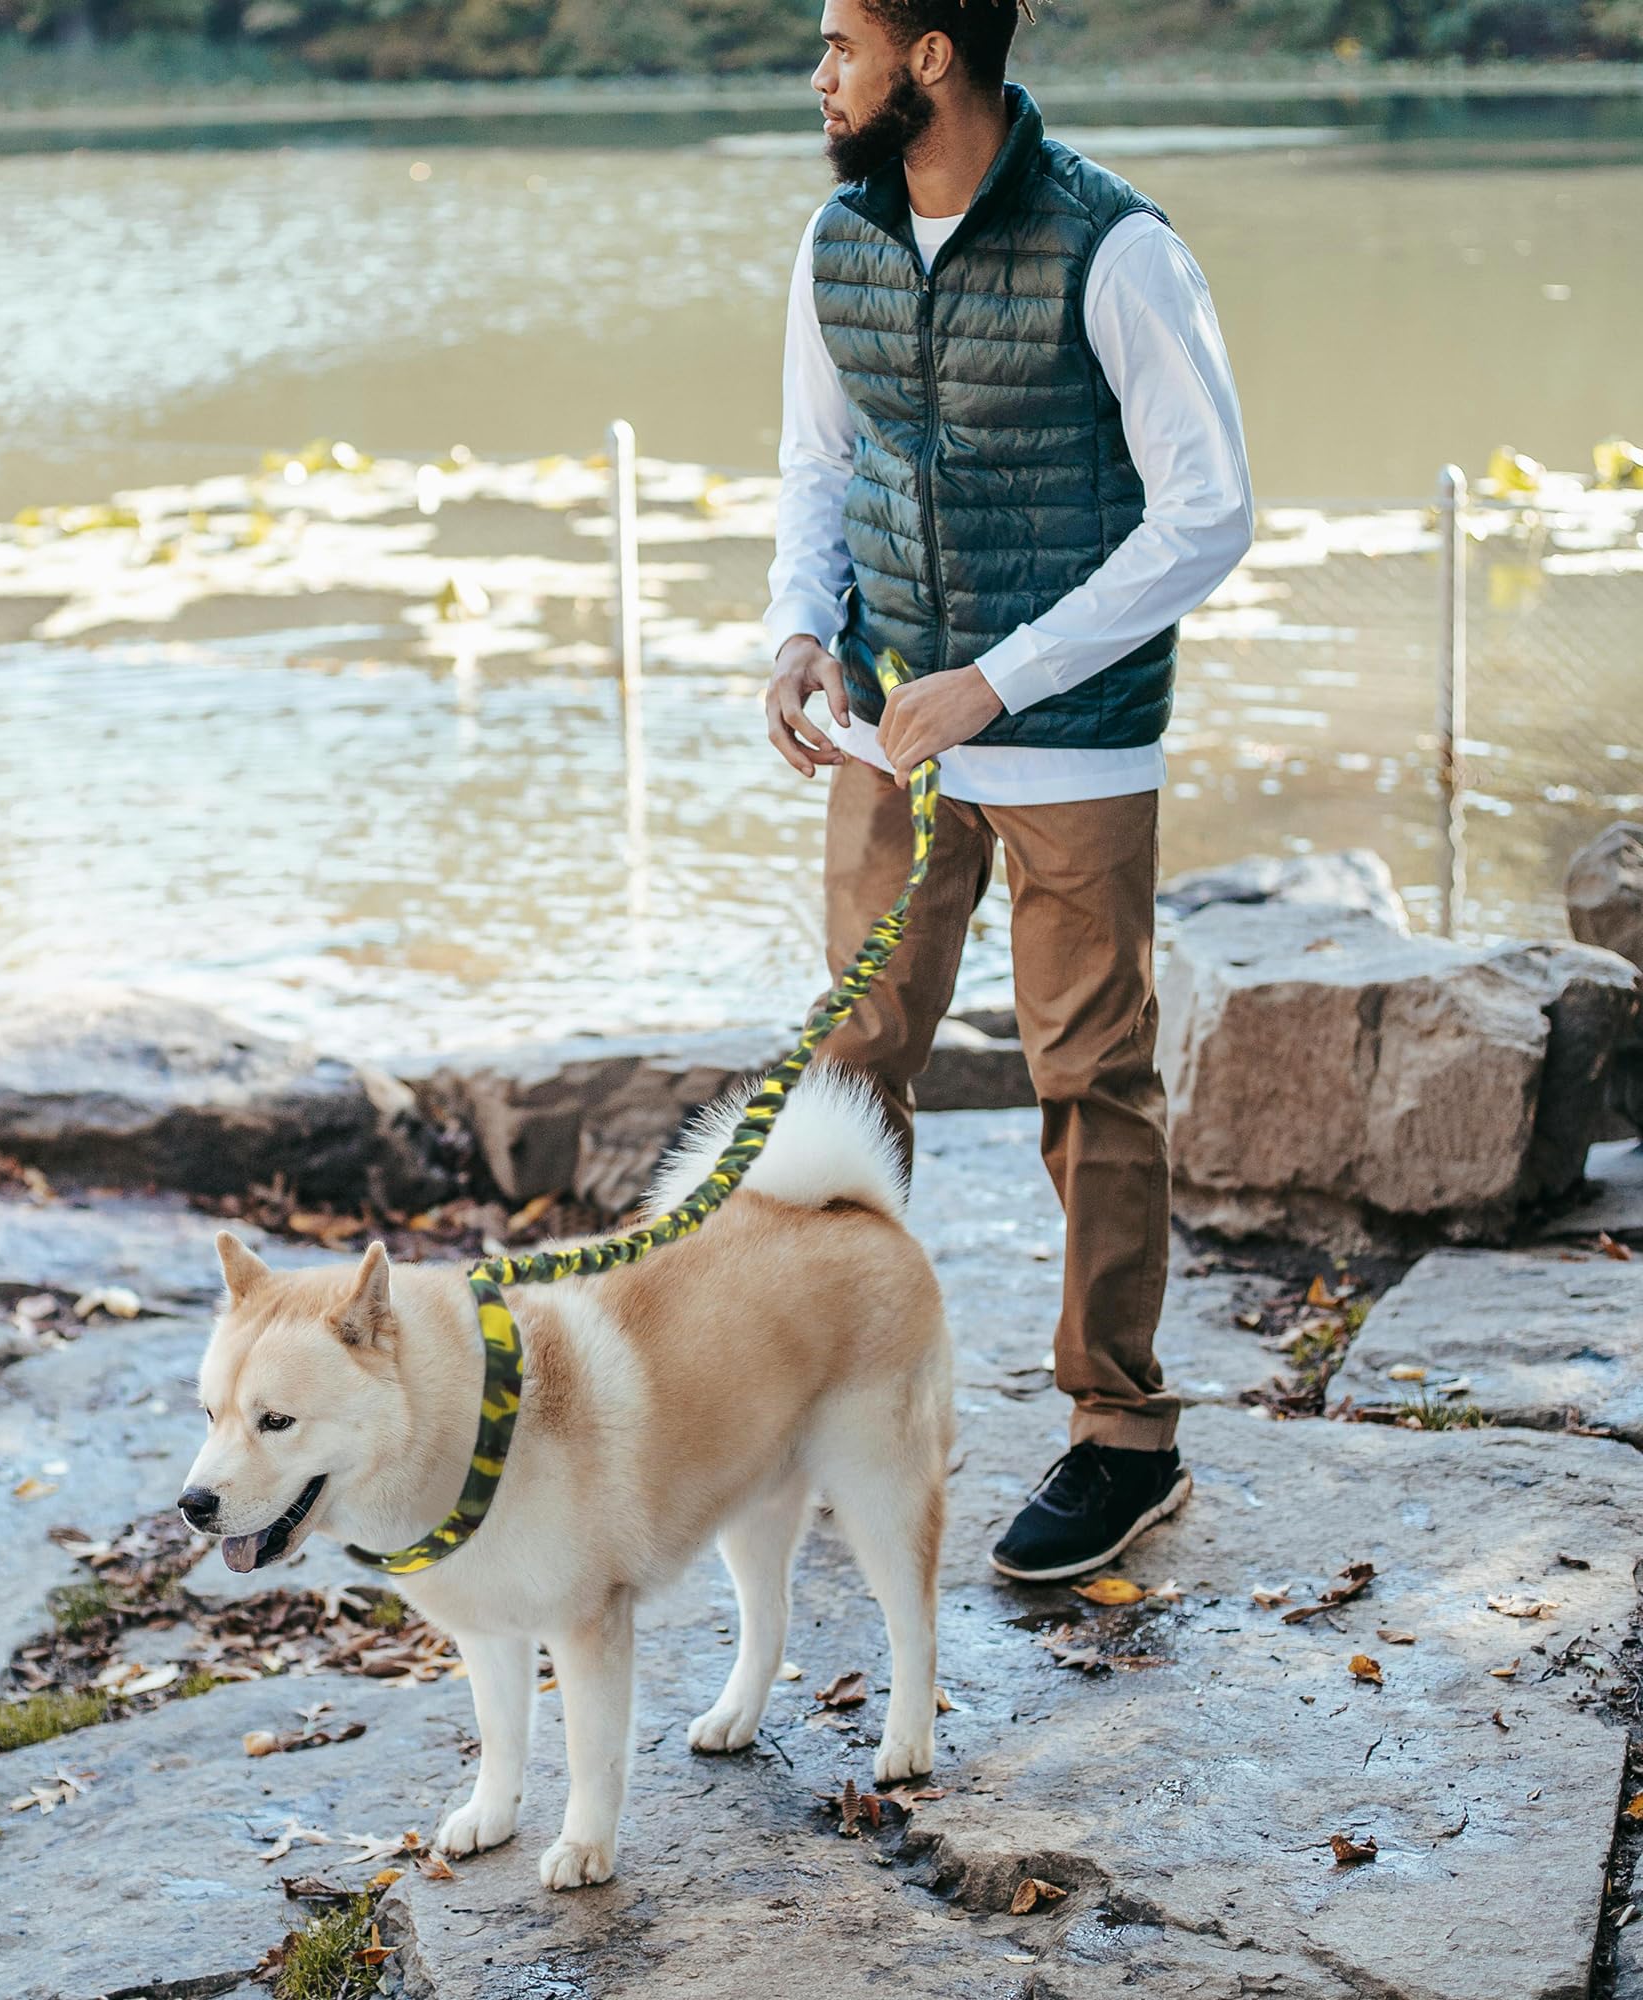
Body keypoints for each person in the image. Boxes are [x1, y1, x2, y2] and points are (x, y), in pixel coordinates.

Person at [763, 0, 1255, 1582]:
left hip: (1074, 738)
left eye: (840, 38)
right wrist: (796, 635)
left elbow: (1209, 512)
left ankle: (1124, 1437)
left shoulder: (1115, 249)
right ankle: (844, 1403)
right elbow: (817, 466)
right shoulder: (836, 242)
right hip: (887, 742)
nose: (817, 69)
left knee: (1092, 1077)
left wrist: (1004, 678)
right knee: (854, 1061)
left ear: (930, 57)